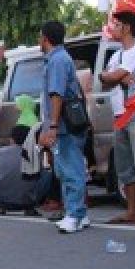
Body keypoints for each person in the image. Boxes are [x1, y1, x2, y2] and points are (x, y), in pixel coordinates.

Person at [100, 10, 135, 225]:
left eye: (117, 24)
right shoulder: (117, 54)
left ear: (128, 27)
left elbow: (112, 76)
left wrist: (114, 77)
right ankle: (132, 211)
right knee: (125, 167)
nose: (113, 28)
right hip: (120, 115)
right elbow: (105, 78)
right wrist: (115, 77)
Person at [38, 20, 90, 234]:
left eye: (40, 36)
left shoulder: (57, 60)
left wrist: (52, 125)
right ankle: (79, 213)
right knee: (65, 168)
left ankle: (74, 215)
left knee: (71, 169)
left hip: (64, 126)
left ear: (45, 38)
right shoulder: (59, 58)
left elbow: (56, 95)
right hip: (66, 124)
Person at [0, 126, 41, 216]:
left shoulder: (2, 151)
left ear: (12, 139)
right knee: (45, 172)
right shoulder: (37, 154)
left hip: (2, 199)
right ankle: (30, 207)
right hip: (28, 200)